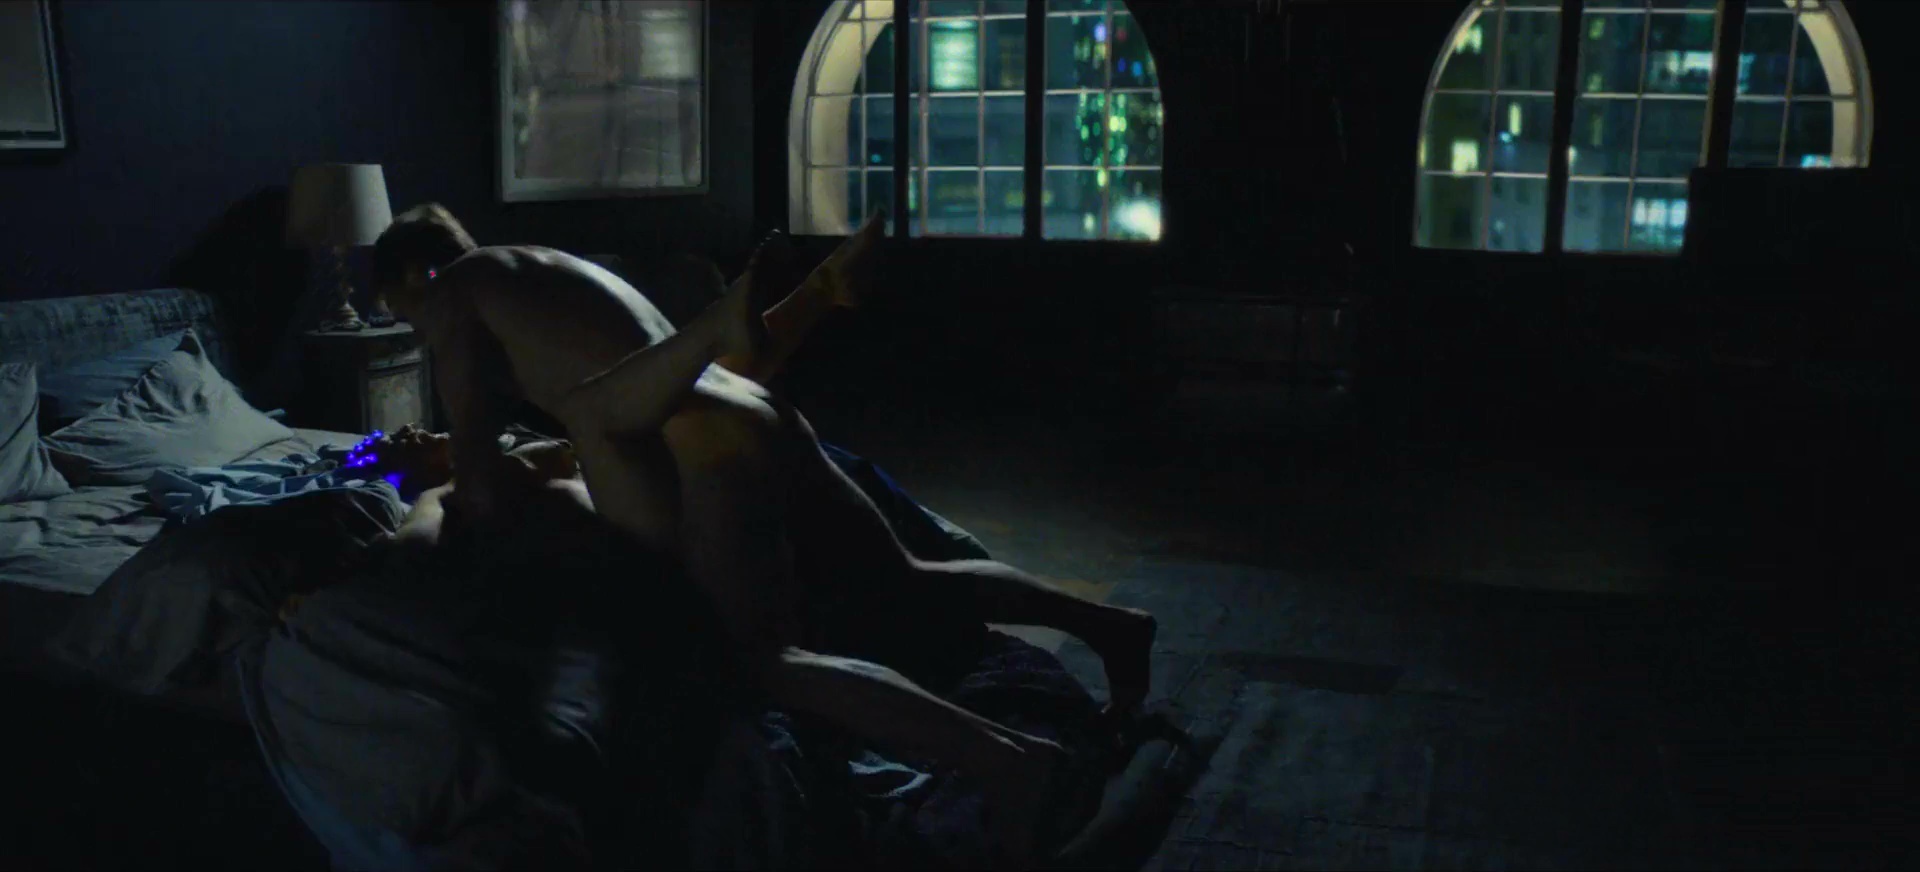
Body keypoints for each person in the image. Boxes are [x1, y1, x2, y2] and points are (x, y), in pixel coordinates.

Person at [371, 206, 1158, 863]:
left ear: (415, 277)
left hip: (702, 447)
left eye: (401, 316)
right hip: (753, 407)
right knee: (908, 573)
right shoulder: (548, 269)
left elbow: (482, 486)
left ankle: (1009, 765)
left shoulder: (453, 297)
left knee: (766, 661)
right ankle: (1111, 626)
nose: (415, 332)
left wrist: (434, 498)